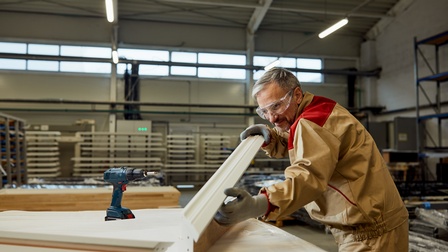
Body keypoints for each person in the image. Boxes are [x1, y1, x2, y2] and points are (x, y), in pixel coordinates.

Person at [214, 67, 409, 251]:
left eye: (276, 106)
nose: (272, 118)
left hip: (371, 232)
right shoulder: (317, 109)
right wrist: (270, 138)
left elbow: (308, 178)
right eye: (264, 112)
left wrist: (260, 204)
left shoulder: (312, 123)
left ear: (297, 95)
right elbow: (303, 142)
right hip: (373, 221)